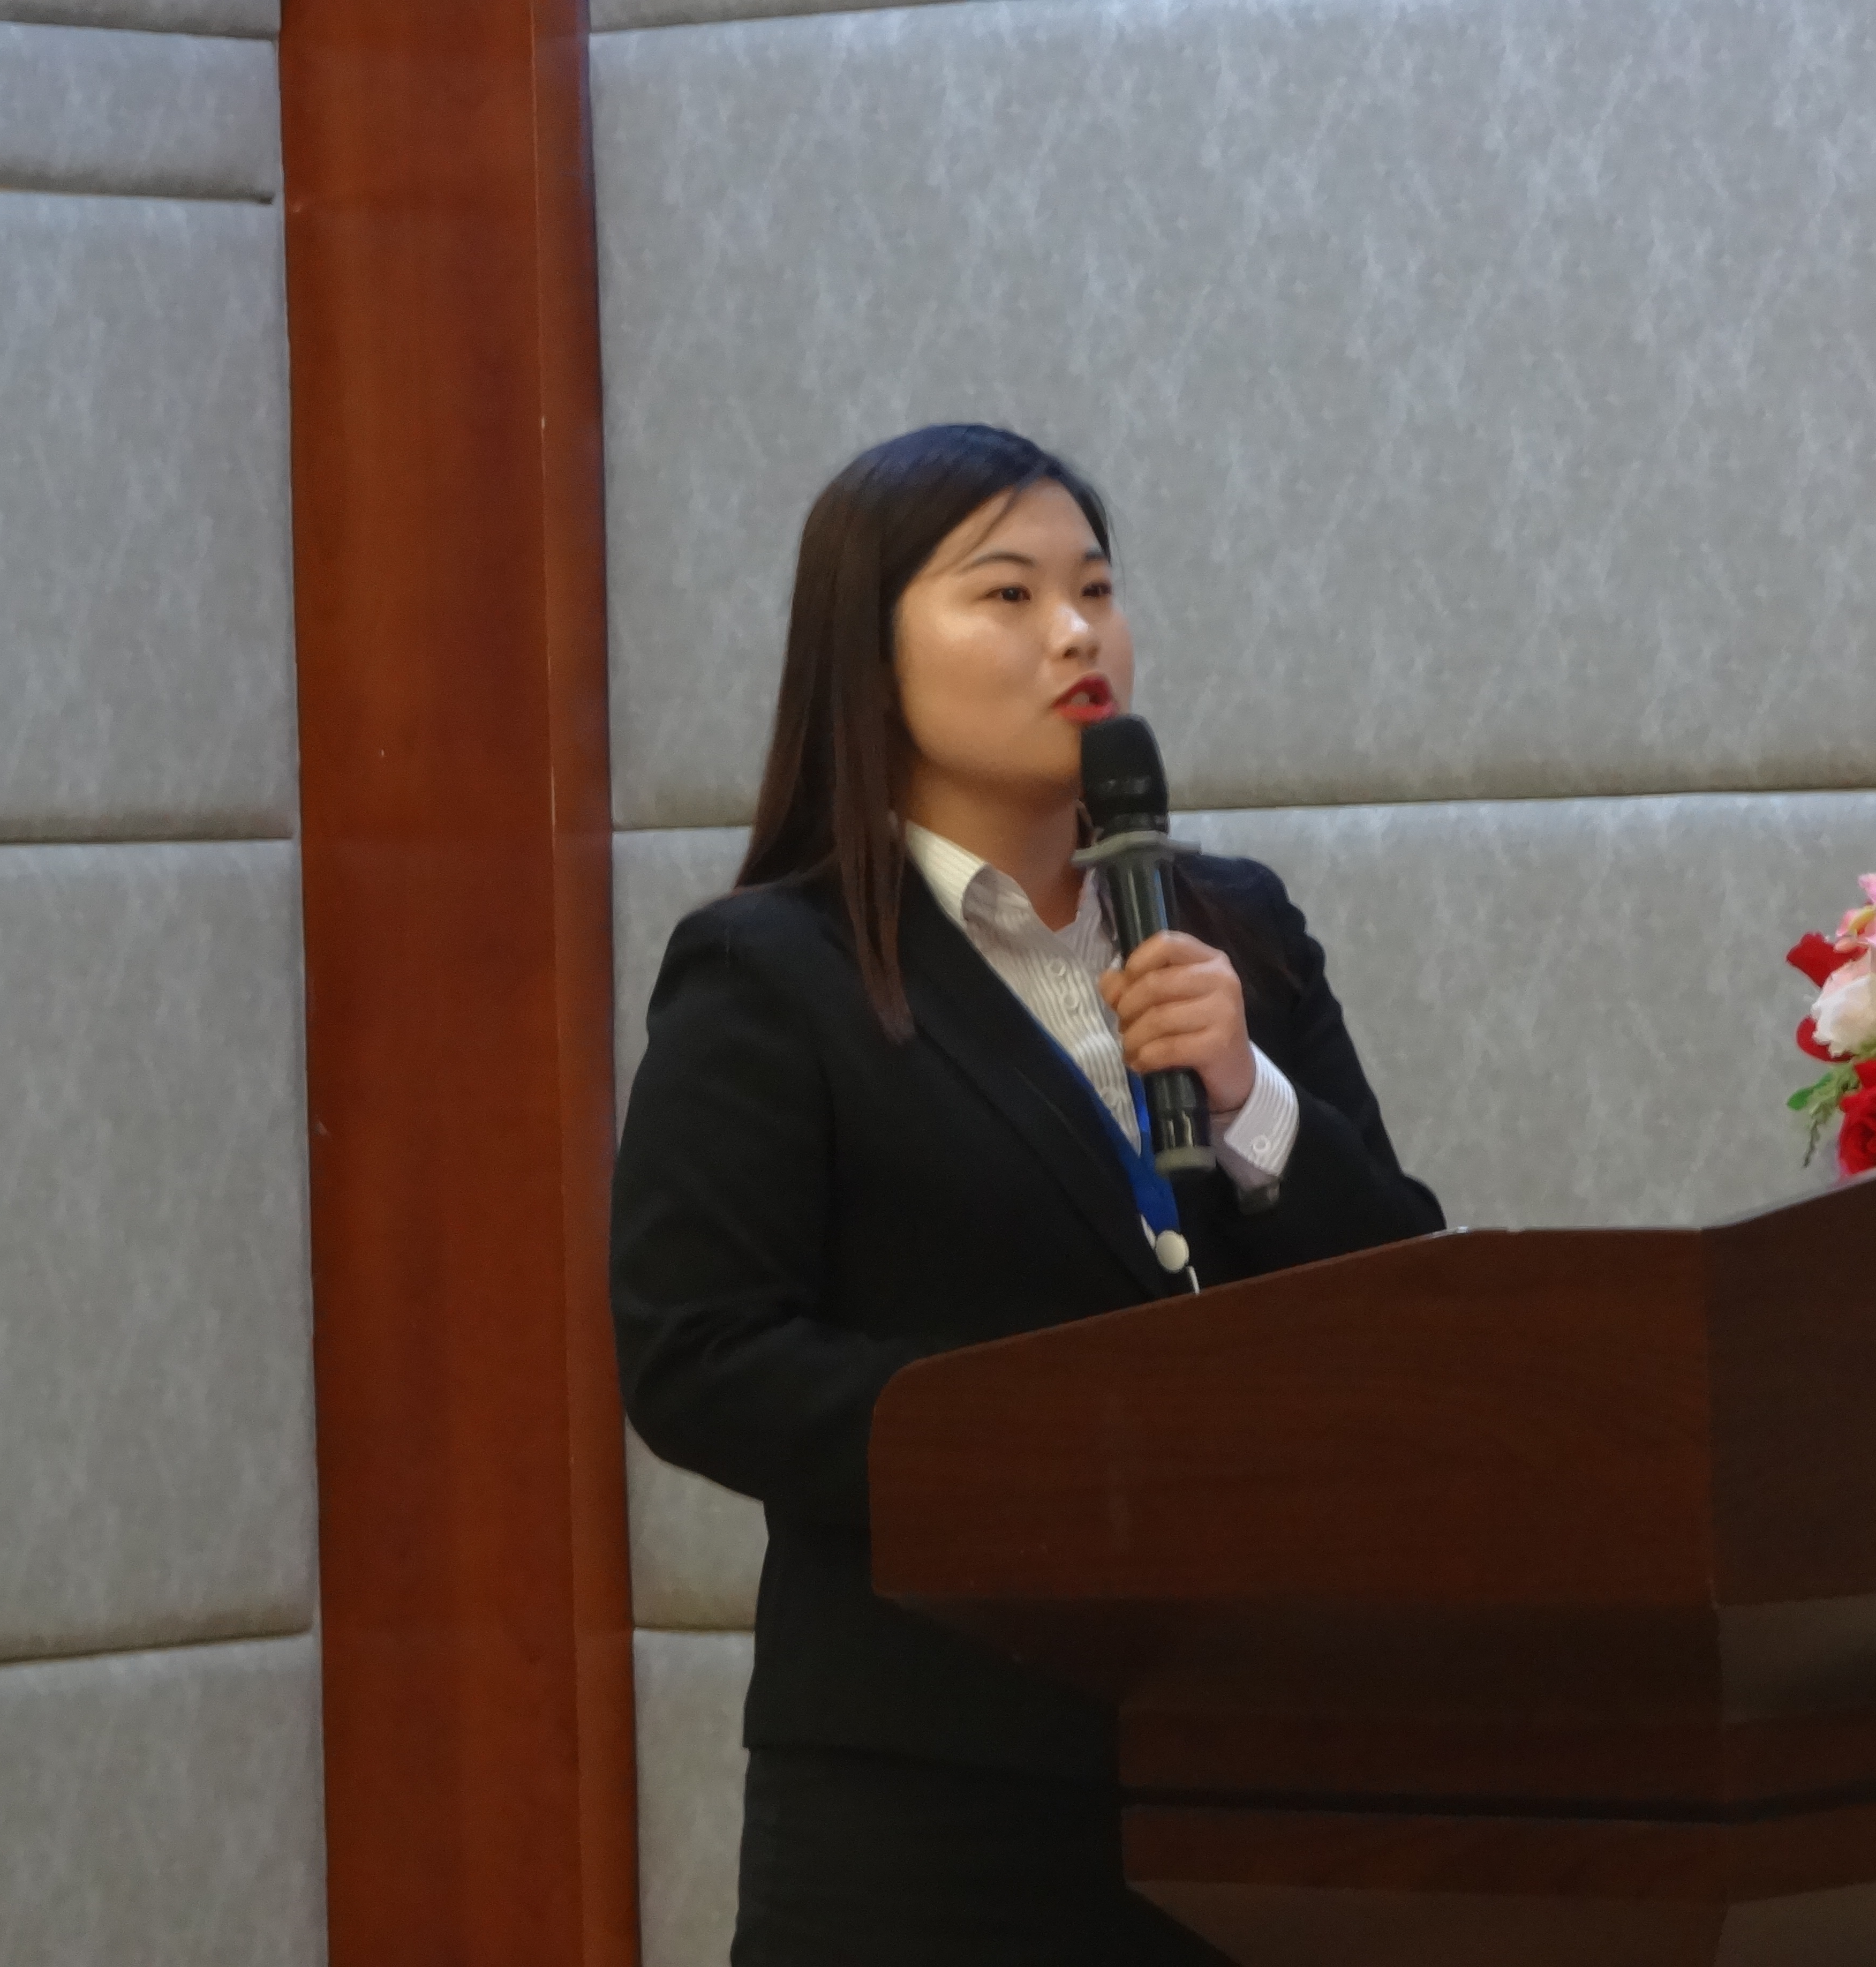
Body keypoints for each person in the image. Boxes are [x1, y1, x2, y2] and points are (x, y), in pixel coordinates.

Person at [609, 424, 1443, 1966]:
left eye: (1097, 588)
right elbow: (699, 1358)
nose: (1076, 632)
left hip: (1260, 1772)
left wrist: (1251, 1098)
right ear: (870, 661)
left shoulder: (1236, 929)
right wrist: (1057, 1453)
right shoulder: (775, 973)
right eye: (1008, 594)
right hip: (935, 1795)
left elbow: (1404, 1303)